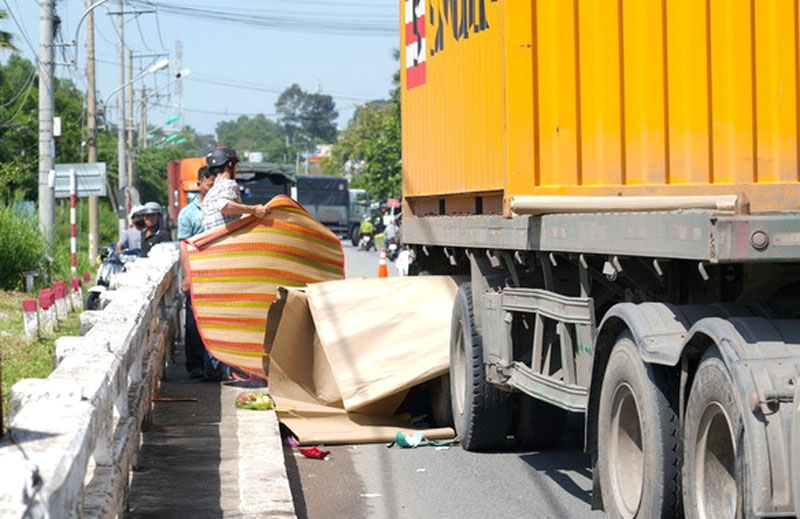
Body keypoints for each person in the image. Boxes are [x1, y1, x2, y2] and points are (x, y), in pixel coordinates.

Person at [177, 166, 217, 379]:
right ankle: (195, 365)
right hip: (197, 272)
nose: (212, 189)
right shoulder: (189, 213)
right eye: (210, 184)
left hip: (218, 273)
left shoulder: (223, 210)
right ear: (199, 184)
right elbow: (184, 246)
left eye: (215, 185)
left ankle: (217, 365)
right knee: (194, 320)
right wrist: (187, 275)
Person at [201, 146, 268, 231]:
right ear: (230, 164)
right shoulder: (228, 184)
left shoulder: (210, 193)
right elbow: (224, 205)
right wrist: (253, 210)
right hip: (228, 242)